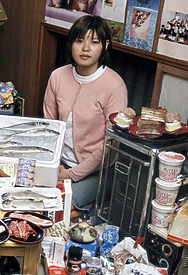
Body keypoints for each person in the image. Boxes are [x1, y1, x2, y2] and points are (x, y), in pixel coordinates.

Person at [43, 15, 127, 219]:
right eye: (79, 41)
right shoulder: (58, 76)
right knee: (37, 199)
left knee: (58, 208)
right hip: (59, 162)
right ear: (71, 43)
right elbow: (49, 126)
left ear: (105, 45)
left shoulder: (114, 86)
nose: (86, 48)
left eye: (94, 42)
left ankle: (84, 208)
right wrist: (53, 163)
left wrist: (72, 174)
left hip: (96, 171)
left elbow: (110, 144)